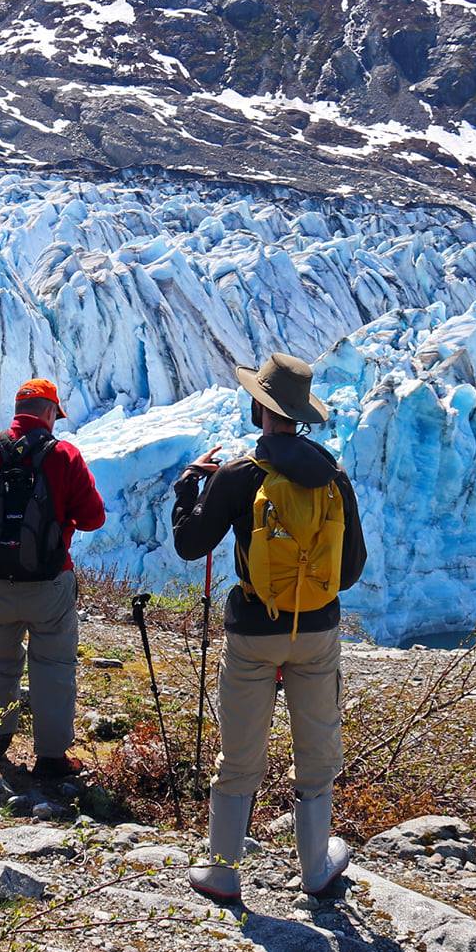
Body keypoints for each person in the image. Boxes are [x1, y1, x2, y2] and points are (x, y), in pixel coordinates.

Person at [172, 352, 367, 903]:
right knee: (316, 748)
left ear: (261, 409)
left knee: (239, 753)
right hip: (318, 631)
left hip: (254, 632)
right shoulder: (333, 476)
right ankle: (314, 866)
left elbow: (190, 546)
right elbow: (350, 570)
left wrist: (190, 492)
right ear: (301, 415)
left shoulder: (239, 474)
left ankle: (224, 870)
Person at [0, 378, 108, 779]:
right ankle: (51, 758)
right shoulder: (63, 455)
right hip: (50, 581)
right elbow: (94, 517)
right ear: (49, 413)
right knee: (53, 665)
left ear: (18, 410)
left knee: (0, 659)